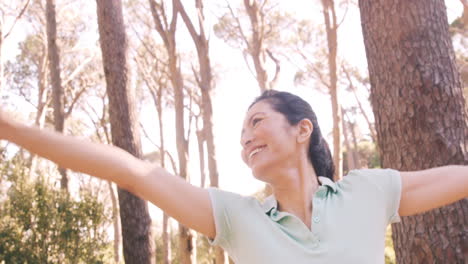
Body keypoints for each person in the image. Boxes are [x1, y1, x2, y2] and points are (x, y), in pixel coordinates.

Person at [0, 90, 466, 263]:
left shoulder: (367, 192)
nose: (245, 139)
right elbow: (132, 171)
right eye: (241, 132)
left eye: (257, 122)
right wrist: (12, 128)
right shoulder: (237, 218)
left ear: (302, 129)